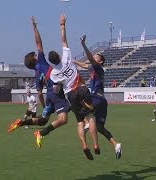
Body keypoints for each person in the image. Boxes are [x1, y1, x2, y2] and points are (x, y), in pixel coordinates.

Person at [8, 16, 70, 149]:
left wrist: (45, 105)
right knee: (64, 119)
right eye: (35, 55)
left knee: (43, 120)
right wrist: (35, 28)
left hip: (49, 97)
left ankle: (22, 123)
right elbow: (39, 43)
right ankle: (41, 133)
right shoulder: (41, 61)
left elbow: (40, 93)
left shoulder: (36, 74)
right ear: (35, 59)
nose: (37, 54)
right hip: (57, 93)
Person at [49, 14, 100, 160]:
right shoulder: (66, 56)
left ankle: (84, 145)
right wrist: (62, 25)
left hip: (70, 94)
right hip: (82, 88)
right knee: (90, 116)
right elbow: (64, 40)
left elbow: (56, 89)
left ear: (52, 62)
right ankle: (96, 144)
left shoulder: (54, 73)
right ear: (58, 55)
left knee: (79, 121)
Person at [81, 94, 122, 159]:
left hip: (95, 101)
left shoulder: (74, 93)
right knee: (99, 127)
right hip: (102, 101)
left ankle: (88, 124)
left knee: (81, 112)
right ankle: (116, 144)